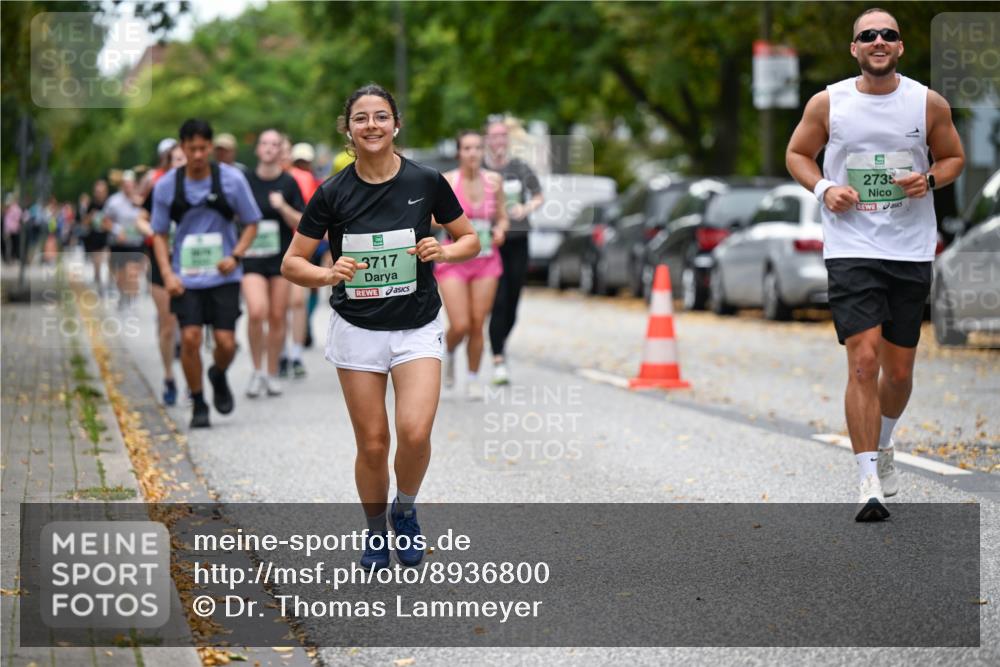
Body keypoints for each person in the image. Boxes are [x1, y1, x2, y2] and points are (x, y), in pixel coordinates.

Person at [282, 84, 479, 569]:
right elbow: (292, 263)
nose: (372, 126)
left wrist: (445, 250)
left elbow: (470, 238)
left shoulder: (426, 181)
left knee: (414, 431)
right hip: (357, 328)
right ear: (348, 129)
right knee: (372, 443)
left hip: (416, 325)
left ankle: (405, 510)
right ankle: (375, 532)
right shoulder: (332, 193)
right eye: (361, 118)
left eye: (381, 117)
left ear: (396, 124)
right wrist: (328, 274)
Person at [786, 7, 965, 522]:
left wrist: (928, 180)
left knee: (899, 371)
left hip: (909, 248)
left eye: (888, 34)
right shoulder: (830, 102)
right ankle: (868, 480)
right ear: (855, 49)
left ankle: (884, 444)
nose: (879, 41)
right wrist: (824, 188)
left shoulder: (926, 103)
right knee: (864, 360)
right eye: (868, 36)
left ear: (900, 47)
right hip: (851, 247)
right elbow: (798, 153)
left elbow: (952, 159)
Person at [151, 119, 262, 428]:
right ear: (182, 148)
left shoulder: (232, 180)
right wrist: (167, 274)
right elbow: (159, 234)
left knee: (226, 343)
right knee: (190, 337)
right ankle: (199, 401)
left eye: (203, 148)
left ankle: (217, 373)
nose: (198, 155)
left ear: (210, 148)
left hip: (223, 276)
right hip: (185, 278)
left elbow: (252, 221)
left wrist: (236, 255)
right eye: (191, 148)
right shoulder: (166, 186)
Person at [435, 130, 509, 399]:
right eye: (467, 148)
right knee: (461, 324)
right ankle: (450, 351)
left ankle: (474, 377)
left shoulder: (494, 181)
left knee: (478, 323)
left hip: (486, 259)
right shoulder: (447, 181)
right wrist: (455, 226)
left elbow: (502, 217)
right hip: (453, 259)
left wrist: (500, 229)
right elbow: (431, 219)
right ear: (459, 152)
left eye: (478, 148)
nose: (473, 153)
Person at [242, 129, 305, 397]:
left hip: (279, 259)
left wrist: (282, 207)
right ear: (257, 149)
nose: (269, 148)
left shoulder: (288, 183)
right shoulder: (244, 181)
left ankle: (270, 373)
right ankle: (256, 371)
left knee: (278, 316)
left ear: (281, 151)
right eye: (264, 143)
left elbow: (302, 222)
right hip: (251, 258)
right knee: (257, 311)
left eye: (275, 144)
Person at [484, 117, 543, 385]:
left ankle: (500, 341)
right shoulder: (482, 169)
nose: (498, 142)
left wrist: (525, 209)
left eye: (502, 137)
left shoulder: (519, 167)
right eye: (493, 137)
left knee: (513, 302)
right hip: (491, 241)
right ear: (488, 140)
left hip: (518, 239)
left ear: (507, 141)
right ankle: (498, 357)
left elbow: (538, 196)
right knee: (499, 299)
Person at [138, 139, 187, 405]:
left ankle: (194, 378)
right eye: (176, 160)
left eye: (184, 159)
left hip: (190, 262)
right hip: (161, 260)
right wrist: (154, 233)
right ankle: (169, 376)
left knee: (192, 324)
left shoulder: (200, 188)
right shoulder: (160, 188)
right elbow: (141, 218)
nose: (181, 164)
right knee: (168, 324)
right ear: (168, 163)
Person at [282, 141, 323, 378]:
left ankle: (304, 326)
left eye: (304, 162)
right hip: (299, 241)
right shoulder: (295, 179)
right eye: (300, 162)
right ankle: (300, 332)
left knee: (312, 291)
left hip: (312, 241)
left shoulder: (315, 182)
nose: (303, 166)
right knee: (299, 296)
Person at [103, 171, 146, 306]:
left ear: (135, 184)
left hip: (136, 243)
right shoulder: (113, 201)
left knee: (132, 272)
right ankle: (122, 294)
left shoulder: (141, 200)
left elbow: (149, 217)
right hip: (119, 243)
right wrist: (117, 230)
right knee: (121, 274)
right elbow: (105, 221)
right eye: (126, 185)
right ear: (122, 185)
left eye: (131, 184)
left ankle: (132, 297)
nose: (128, 187)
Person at [82, 180, 111, 289]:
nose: (99, 193)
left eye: (101, 191)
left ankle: (109, 283)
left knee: (110, 260)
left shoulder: (110, 203)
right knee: (97, 262)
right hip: (94, 238)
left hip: (107, 237)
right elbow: (84, 222)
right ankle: (98, 280)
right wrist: (91, 216)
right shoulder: (92, 205)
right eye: (97, 191)